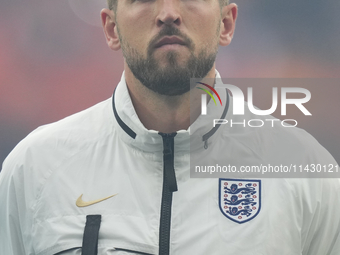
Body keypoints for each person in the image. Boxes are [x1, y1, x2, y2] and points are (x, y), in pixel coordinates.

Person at [0, 0, 339, 254]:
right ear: (111, 29)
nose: (168, 13)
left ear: (226, 24)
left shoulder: (307, 174)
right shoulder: (35, 169)